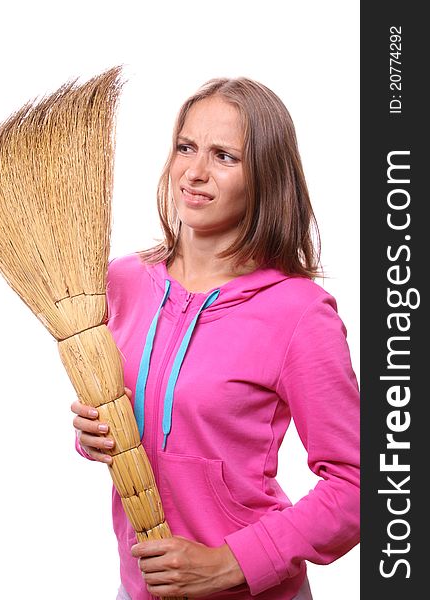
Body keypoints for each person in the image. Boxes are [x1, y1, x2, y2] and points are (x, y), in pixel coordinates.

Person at [72, 77, 360, 600]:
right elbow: (156, 420)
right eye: (187, 147)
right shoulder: (123, 282)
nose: (195, 172)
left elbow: (359, 485)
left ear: (265, 178)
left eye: (224, 156)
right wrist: (94, 433)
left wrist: (231, 563)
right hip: (140, 587)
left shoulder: (297, 313)